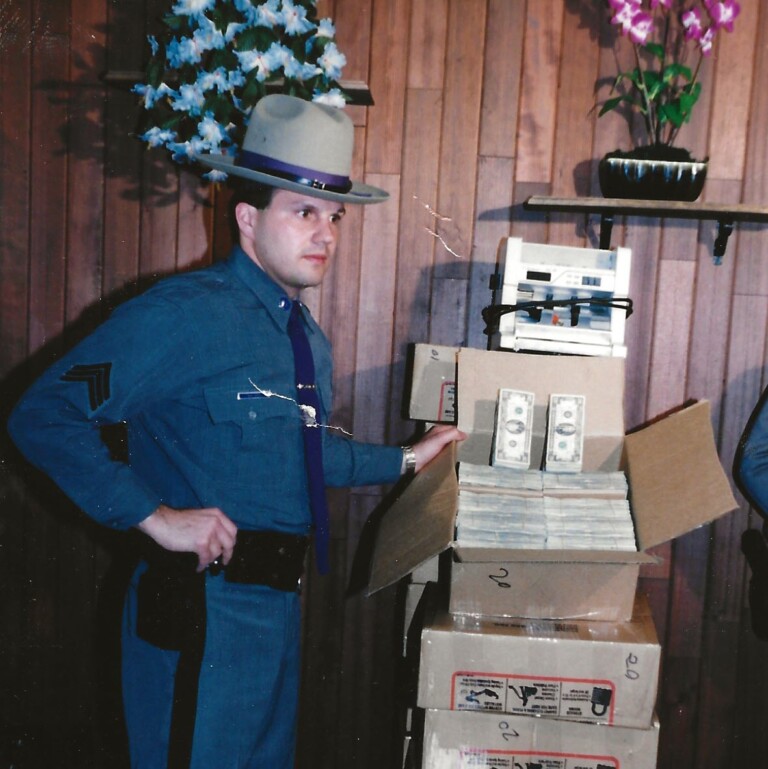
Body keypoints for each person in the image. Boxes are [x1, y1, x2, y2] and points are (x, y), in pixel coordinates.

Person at [7, 94, 464, 769]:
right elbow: (41, 414)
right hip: (199, 610)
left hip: (275, 614)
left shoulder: (303, 337)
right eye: (303, 211)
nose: (326, 233)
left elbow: (304, 455)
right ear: (247, 218)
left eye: (333, 215)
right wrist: (154, 515)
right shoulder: (184, 315)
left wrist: (402, 458)